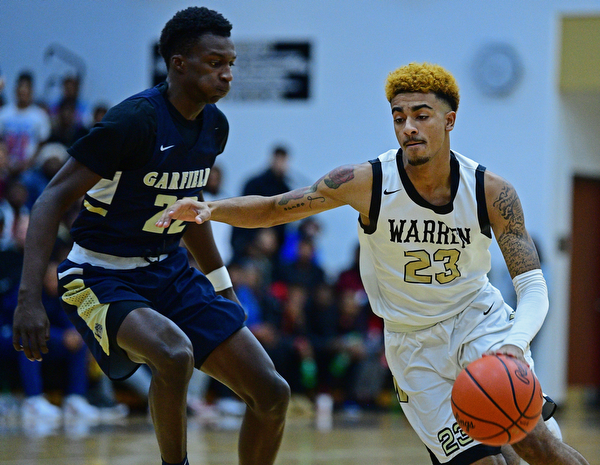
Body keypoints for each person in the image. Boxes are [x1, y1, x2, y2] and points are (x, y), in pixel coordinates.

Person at [157, 62, 590, 465]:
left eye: (421, 115)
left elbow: (533, 285)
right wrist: (211, 208)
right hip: (412, 344)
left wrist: (515, 341)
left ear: (449, 120)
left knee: (538, 444)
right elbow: (274, 207)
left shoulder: (491, 191)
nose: (409, 127)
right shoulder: (365, 182)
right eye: (399, 117)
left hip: (479, 322)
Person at [13, 7, 289, 465]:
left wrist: (223, 289)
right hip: (99, 274)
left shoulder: (214, 126)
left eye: (230, 64)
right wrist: (29, 299)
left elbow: (191, 206)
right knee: (174, 354)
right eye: (215, 62)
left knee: (272, 392)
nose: (226, 75)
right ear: (179, 63)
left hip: (169, 272)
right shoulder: (134, 120)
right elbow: (49, 199)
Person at [230, 145, 292, 261]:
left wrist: (274, 237)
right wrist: (258, 235)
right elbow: (244, 214)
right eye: (278, 160)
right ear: (272, 159)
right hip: (249, 242)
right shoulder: (254, 184)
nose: (280, 164)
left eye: (283, 161)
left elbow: (285, 220)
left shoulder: (286, 189)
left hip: (274, 248)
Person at [0, 71, 51, 176]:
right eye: (21, 88)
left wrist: (28, 163)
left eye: (26, 89)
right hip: (5, 166)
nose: (23, 92)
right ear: (16, 90)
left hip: (30, 168)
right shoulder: (4, 113)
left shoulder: (40, 116)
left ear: (31, 91)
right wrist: (5, 161)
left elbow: (42, 143)